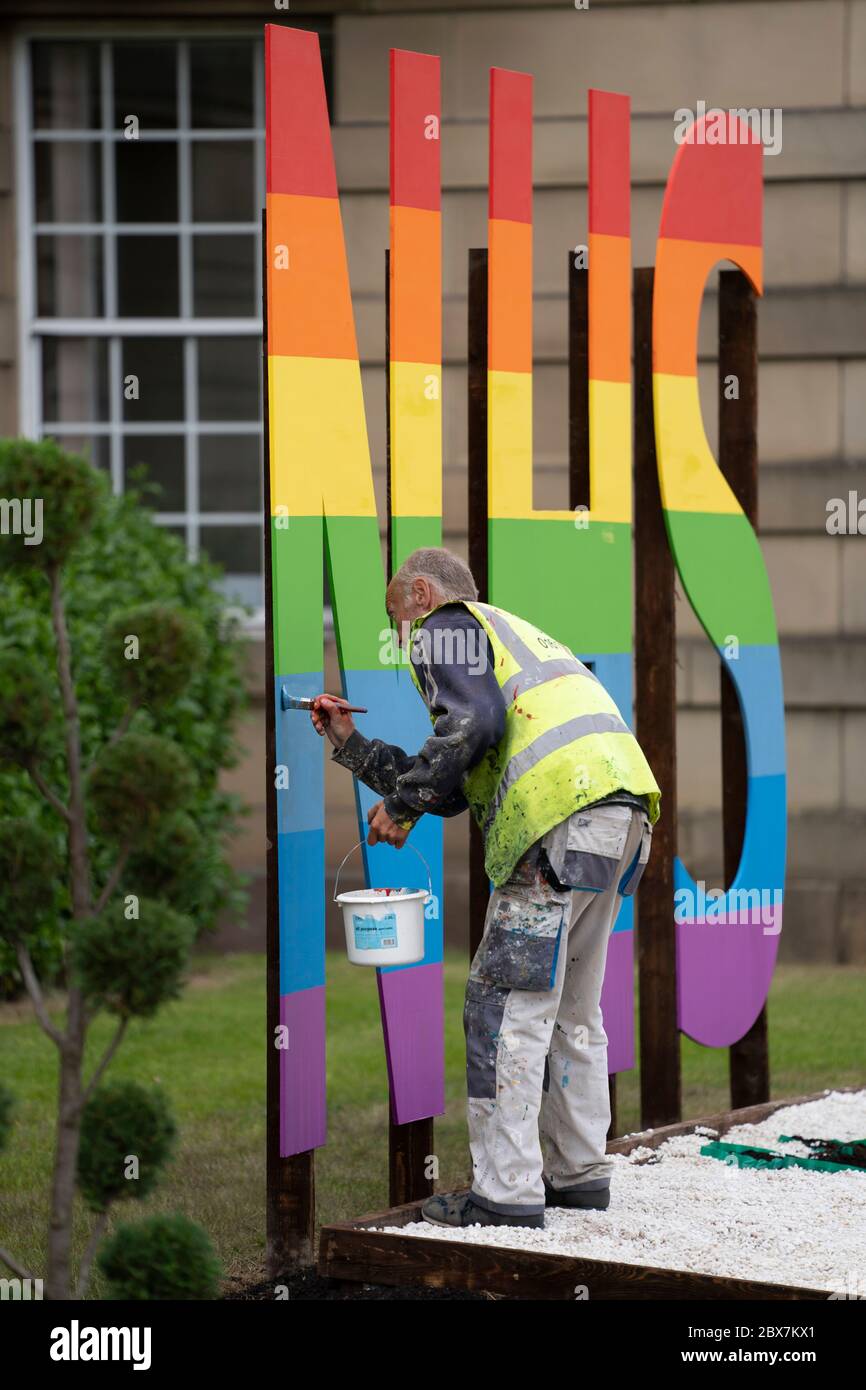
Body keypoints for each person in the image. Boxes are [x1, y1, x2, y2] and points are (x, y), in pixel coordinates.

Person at [310, 547, 660, 1229]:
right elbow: (459, 772)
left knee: (501, 1011)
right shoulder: (515, 640)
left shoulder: (446, 625)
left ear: (420, 593)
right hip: (618, 821)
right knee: (572, 1010)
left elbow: (472, 727)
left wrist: (403, 806)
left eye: (398, 620)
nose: (405, 639)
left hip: (556, 828)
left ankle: (504, 1193)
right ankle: (580, 1175)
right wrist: (353, 745)